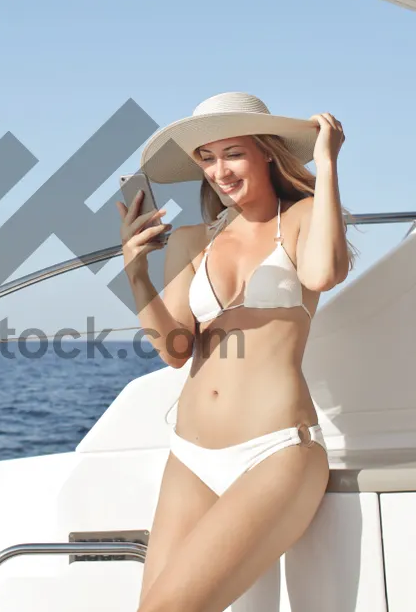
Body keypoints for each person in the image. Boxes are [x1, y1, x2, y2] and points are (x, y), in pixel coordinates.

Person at [115, 92, 352, 612]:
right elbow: (175, 349)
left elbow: (323, 274)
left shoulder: (303, 217)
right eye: (207, 158)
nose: (219, 170)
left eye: (233, 153)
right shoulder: (193, 240)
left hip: (275, 451)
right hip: (190, 455)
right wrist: (135, 274)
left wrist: (328, 162)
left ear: (267, 152)